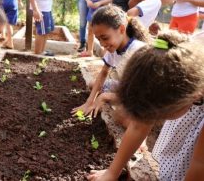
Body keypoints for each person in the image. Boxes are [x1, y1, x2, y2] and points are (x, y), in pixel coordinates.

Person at [87, 31, 204, 181]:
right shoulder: (172, 58)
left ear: (190, 97)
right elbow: (138, 125)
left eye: (158, 116)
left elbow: (199, 163)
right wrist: (112, 172)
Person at [72, 5, 149, 122]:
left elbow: (138, 93)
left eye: (105, 38)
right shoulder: (114, 47)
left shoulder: (138, 52)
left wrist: (105, 97)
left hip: (144, 94)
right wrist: (89, 102)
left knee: (121, 116)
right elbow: (103, 73)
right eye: (99, 40)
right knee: (93, 84)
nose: (102, 44)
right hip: (126, 86)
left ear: (122, 29)